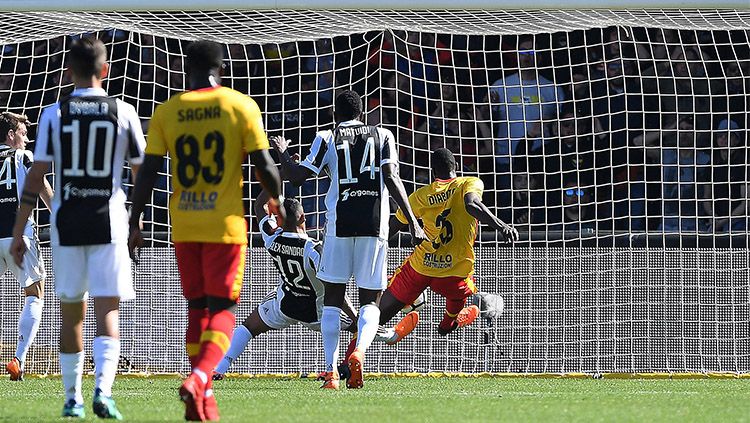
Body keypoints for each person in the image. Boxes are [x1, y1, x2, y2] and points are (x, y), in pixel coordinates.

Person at [128, 40, 284, 422]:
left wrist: (136, 219)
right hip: (225, 226)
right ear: (223, 68)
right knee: (224, 310)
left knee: (197, 309)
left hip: (183, 224)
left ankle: (204, 401)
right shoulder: (240, 106)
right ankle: (200, 376)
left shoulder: (168, 111)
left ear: (186, 69)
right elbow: (264, 163)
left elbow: (148, 172)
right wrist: (276, 198)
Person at [10, 37, 146, 419]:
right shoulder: (124, 111)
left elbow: (35, 178)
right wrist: (138, 221)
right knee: (107, 311)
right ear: (105, 70)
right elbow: (141, 173)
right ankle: (103, 391)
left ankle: (73, 398)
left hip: (66, 224)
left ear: (68, 71)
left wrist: (20, 230)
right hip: (110, 223)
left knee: (72, 313)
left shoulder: (53, 114)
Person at [271, 89, 426, 390]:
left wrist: (282, 152)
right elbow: (392, 178)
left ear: (334, 114)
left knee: (332, 298)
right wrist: (413, 223)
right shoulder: (384, 135)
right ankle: (359, 352)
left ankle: (331, 372)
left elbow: (297, 178)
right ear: (362, 115)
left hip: (339, 226)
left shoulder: (326, 137)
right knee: (370, 300)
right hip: (374, 226)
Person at [213, 189, 416, 379]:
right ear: (303, 218)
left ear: (280, 220)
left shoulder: (271, 237)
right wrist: (354, 315)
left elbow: (259, 206)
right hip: (316, 314)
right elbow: (334, 292)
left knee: (248, 327)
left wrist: (279, 176)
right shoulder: (314, 250)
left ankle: (220, 368)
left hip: (284, 306)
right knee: (358, 321)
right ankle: (389, 336)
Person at [377, 148, 518, 337]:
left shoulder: (420, 195)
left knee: (376, 314)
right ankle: (448, 324)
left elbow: (391, 227)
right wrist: (501, 226)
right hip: (454, 271)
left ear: (433, 172)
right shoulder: (468, 183)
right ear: (456, 167)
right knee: (463, 292)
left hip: (421, 268)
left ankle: (352, 354)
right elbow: (472, 204)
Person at [0, 111, 53, 381]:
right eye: (23, 132)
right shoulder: (24, 157)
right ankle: (18, 359)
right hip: (20, 235)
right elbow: (39, 183)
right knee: (34, 292)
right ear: (11, 136)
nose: (27, 137)